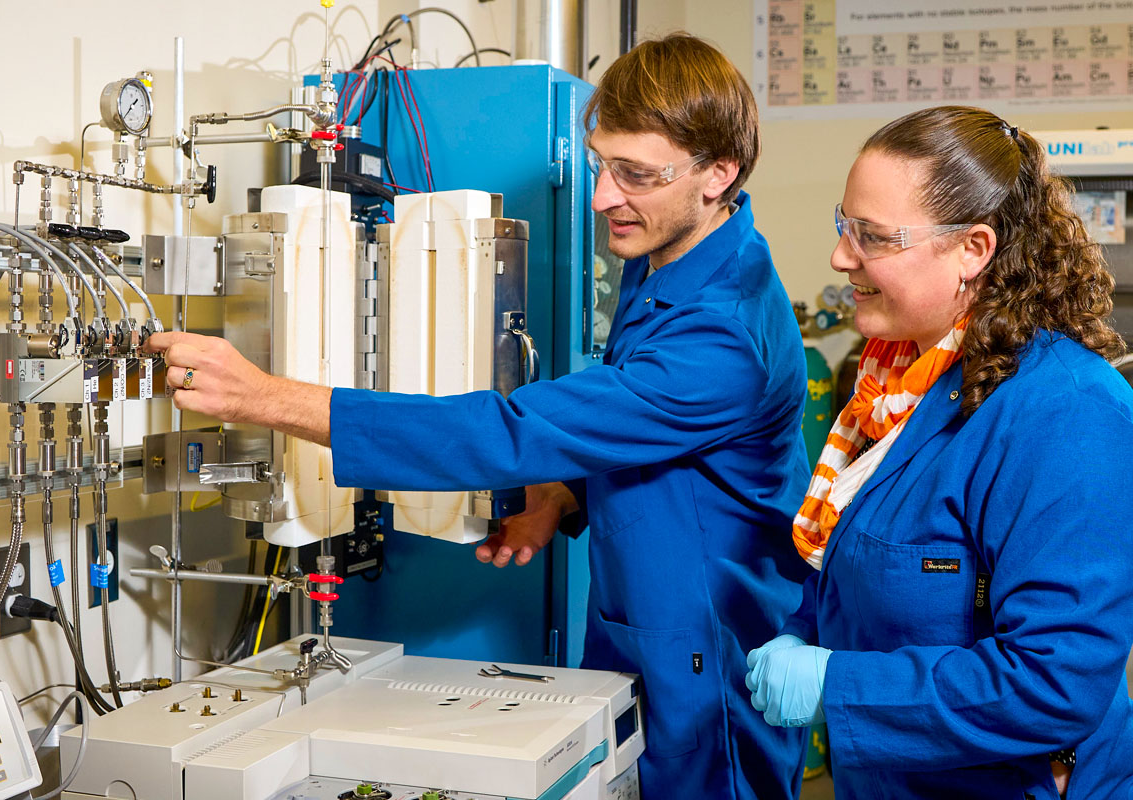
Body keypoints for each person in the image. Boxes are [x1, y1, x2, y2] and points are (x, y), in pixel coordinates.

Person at [148, 33, 813, 798]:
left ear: (717, 174)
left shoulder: (723, 333)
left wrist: (262, 397)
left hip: (707, 656)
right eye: (600, 164)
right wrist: (563, 496)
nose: (602, 197)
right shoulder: (667, 247)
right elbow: (647, 433)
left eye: (634, 174)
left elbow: (512, 431)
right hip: (646, 621)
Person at [745, 105, 1133, 799]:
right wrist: (805, 631)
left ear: (973, 250)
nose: (841, 256)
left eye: (873, 237)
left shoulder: (1066, 411)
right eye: (845, 224)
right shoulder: (899, 384)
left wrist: (839, 684)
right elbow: (872, 560)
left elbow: (1055, 681)